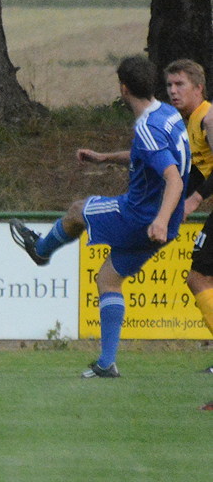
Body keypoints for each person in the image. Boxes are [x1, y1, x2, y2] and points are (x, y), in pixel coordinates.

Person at [10, 55, 190, 378]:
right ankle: (107, 363)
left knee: (78, 210)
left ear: (123, 89)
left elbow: (173, 179)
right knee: (108, 279)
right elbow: (146, 156)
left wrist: (159, 220)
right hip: (164, 223)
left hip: (140, 216)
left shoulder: (147, 128)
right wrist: (104, 157)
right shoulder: (167, 114)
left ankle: (41, 250)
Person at [164, 58, 213, 372]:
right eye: (169, 85)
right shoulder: (192, 123)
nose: (173, 91)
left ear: (199, 88)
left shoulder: (209, 118)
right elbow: (197, 172)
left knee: (198, 278)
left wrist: (193, 201)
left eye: (180, 84)